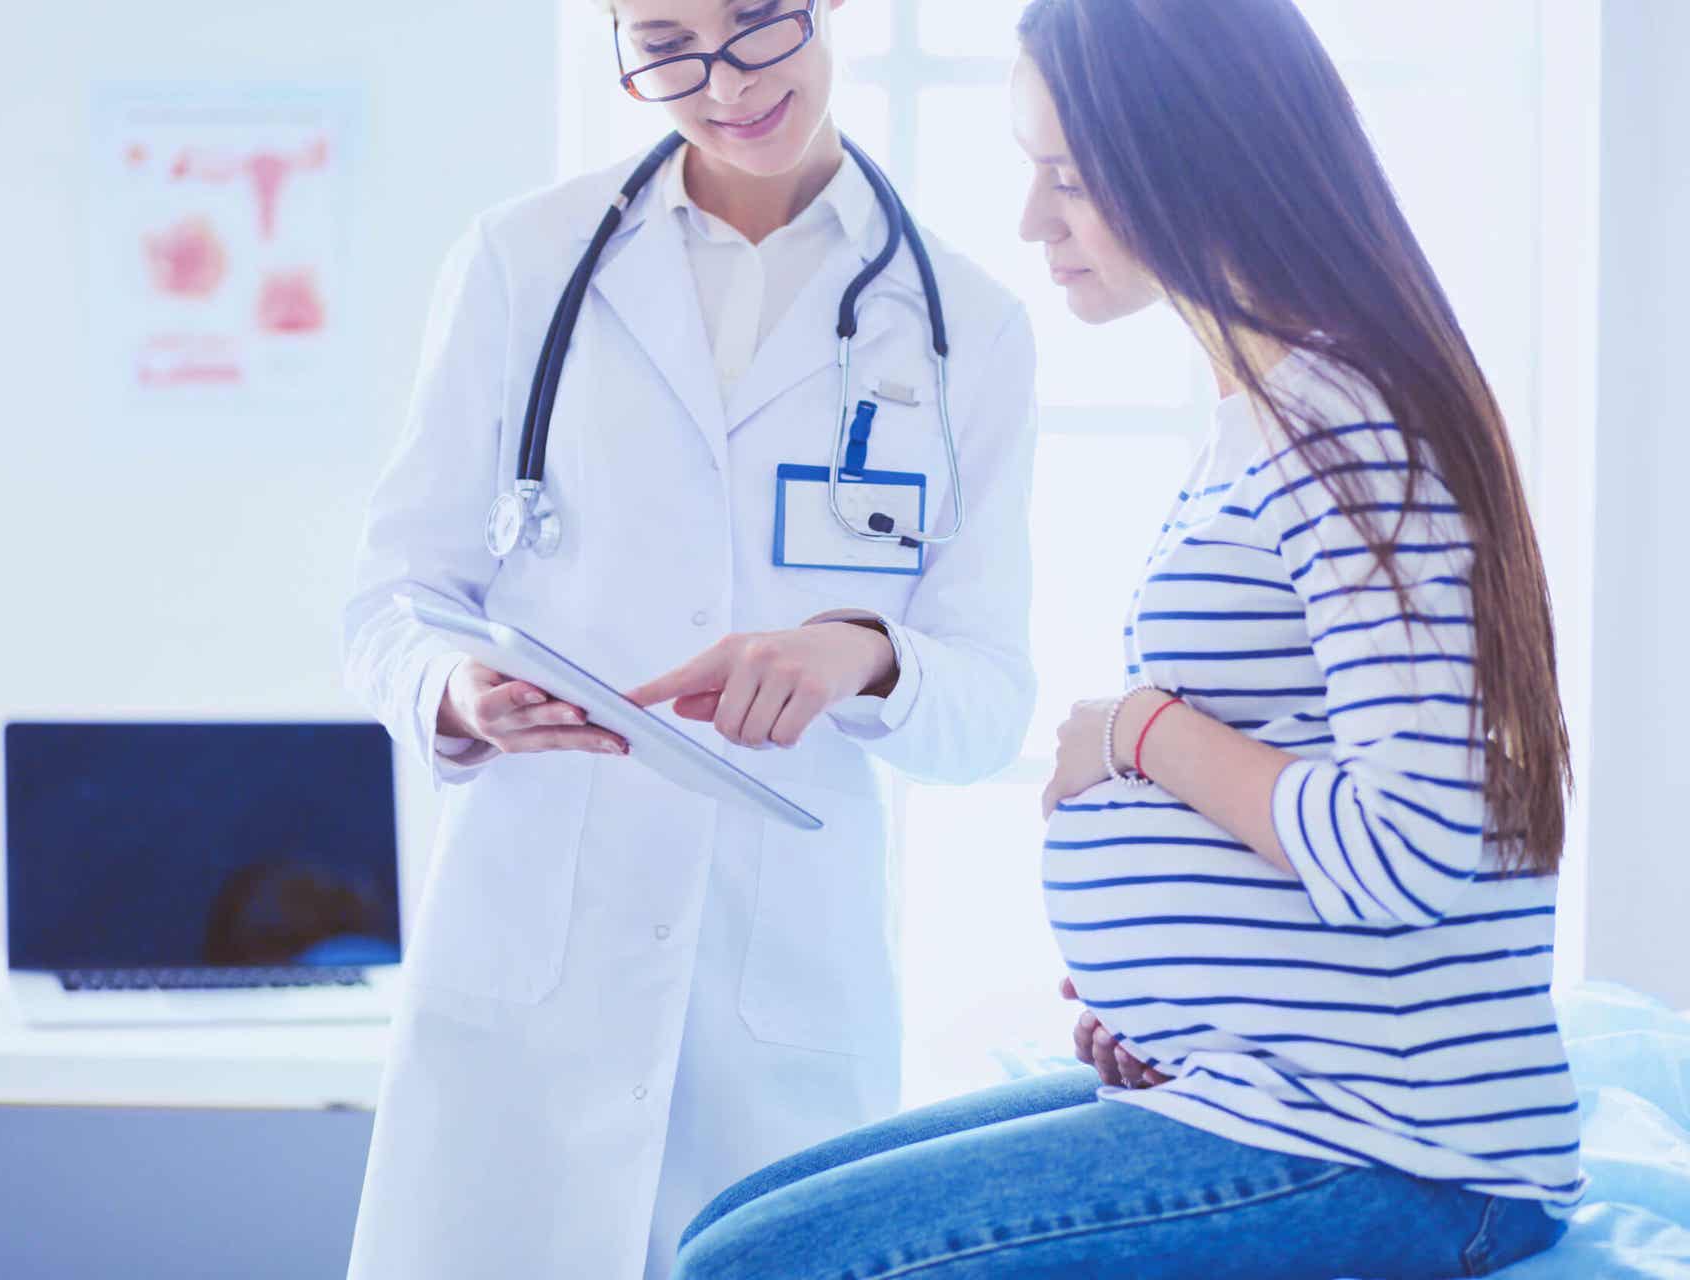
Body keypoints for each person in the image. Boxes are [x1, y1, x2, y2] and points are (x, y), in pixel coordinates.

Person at [671, 1, 1578, 1275]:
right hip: (1273, 1085)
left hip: (1396, 1149)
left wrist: (1135, 732)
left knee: (753, 1265)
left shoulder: (1349, 426)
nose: (1035, 221)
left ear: (1196, 161)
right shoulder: (1265, 414)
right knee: (724, 1227)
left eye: (1068, 178)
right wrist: (1197, 1015)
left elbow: (1416, 845)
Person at [339, 1, 1040, 1275]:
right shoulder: (523, 262)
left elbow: (988, 699)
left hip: (780, 998)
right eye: (667, 42)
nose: (723, 82)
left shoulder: (969, 328)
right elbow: (394, 594)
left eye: (757, 21)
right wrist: (455, 686)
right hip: (532, 958)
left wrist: (863, 655)